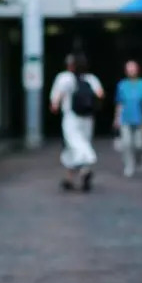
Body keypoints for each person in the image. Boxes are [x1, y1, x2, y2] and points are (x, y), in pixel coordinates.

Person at [49, 52, 104, 191]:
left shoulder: (64, 78)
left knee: (74, 144)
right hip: (87, 117)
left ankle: (85, 169)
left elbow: (56, 98)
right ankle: (70, 178)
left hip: (71, 116)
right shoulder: (91, 78)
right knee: (79, 143)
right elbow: (100, 94)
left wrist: (55, 104)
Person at [113, 60, 142, 178]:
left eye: (133, 68)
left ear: (137, 69)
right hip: (125, 118)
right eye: (129, 69)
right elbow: (120, 103)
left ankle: (138, 161)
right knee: (127, 143)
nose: (131, 71)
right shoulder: (122, 85)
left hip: (140, 118)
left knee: (140, 145)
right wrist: (116, 118)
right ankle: (129, 165)